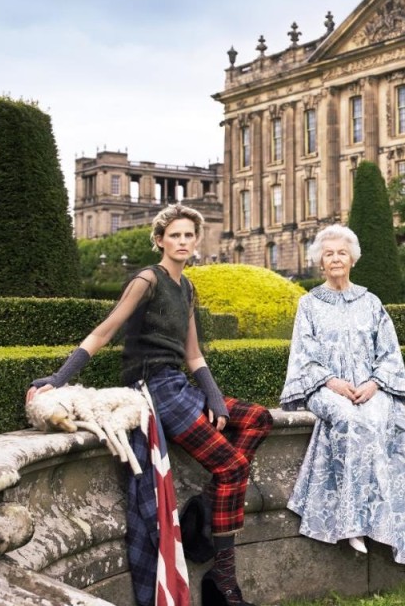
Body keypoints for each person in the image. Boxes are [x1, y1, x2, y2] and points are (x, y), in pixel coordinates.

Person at [26, 204, 272, 606]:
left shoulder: (187, 288)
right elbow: (105, 331)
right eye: (174, 235)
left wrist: (213, 396)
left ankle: (204, 512)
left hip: (179, 384)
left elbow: (193, 355)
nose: (182, 242)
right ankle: (223, 582)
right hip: (153, 388)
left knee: (258, 418)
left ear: (196, 240)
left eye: (189, 235)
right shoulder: (147, 279)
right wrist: (57, 379)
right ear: (160, 240)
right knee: (232, 467)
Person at [281, 224, 405, 565]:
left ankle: (384, 520)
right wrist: (330, 382)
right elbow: (303, 356)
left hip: (369, 387)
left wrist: (376, 383)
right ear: (320, 262)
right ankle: (351, 523)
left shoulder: (371, 302)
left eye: (342, 253)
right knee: (349, 420)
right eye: (329, 254)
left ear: (352, 259)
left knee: (382, 419)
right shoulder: (308, 304)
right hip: (325, 388)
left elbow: (389, 353)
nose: (336, 259)